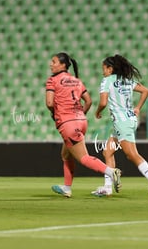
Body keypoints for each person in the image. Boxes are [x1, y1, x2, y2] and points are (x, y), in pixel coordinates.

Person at [46, 52, 122, 198]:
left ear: (63, 65)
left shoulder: (53, 80)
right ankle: (67, 188)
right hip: (81, 121)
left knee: (83, 158)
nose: (51, 64)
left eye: (54, 62)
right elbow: (88, 101)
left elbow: (49, 103)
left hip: (68, 123)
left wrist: (56, 113)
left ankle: (111, 172)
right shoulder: (77, 81)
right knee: (65, 154)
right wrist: (79, 115)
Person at [93, 54, 148, 199]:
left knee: (131, 154)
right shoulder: (127, 80)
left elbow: (103, 102)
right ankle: (107, 188)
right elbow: (146, 91)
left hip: (121, 122)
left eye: (104, 69)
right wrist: (137, 108)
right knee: (107, 152)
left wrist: (97, 111)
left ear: (110, 69)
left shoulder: (107, 81)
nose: (103, 72)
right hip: (128, 119)